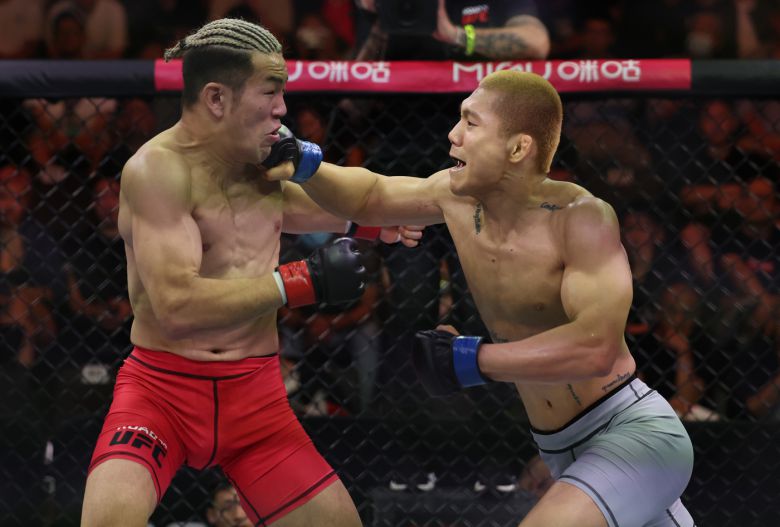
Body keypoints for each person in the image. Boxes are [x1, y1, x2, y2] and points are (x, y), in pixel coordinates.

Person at [265, 70, 696, 526]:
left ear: (518, 148)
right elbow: (373, 194)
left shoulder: (580, 218)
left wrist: (471, 360)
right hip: (561, 447)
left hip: (630, 433)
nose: (453, 135)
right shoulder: (455, 198)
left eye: (471, 123)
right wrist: (305, 162)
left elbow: (597, 348)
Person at [79, 18, 423, 527]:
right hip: (162, 395)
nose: (283, 108)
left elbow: (303, 203)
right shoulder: (156, 170)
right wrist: (298, 281)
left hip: (256, 402)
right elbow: (176, 306)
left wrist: (368, 221)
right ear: (217, 99)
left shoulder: (263, 154)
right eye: (271, 91)